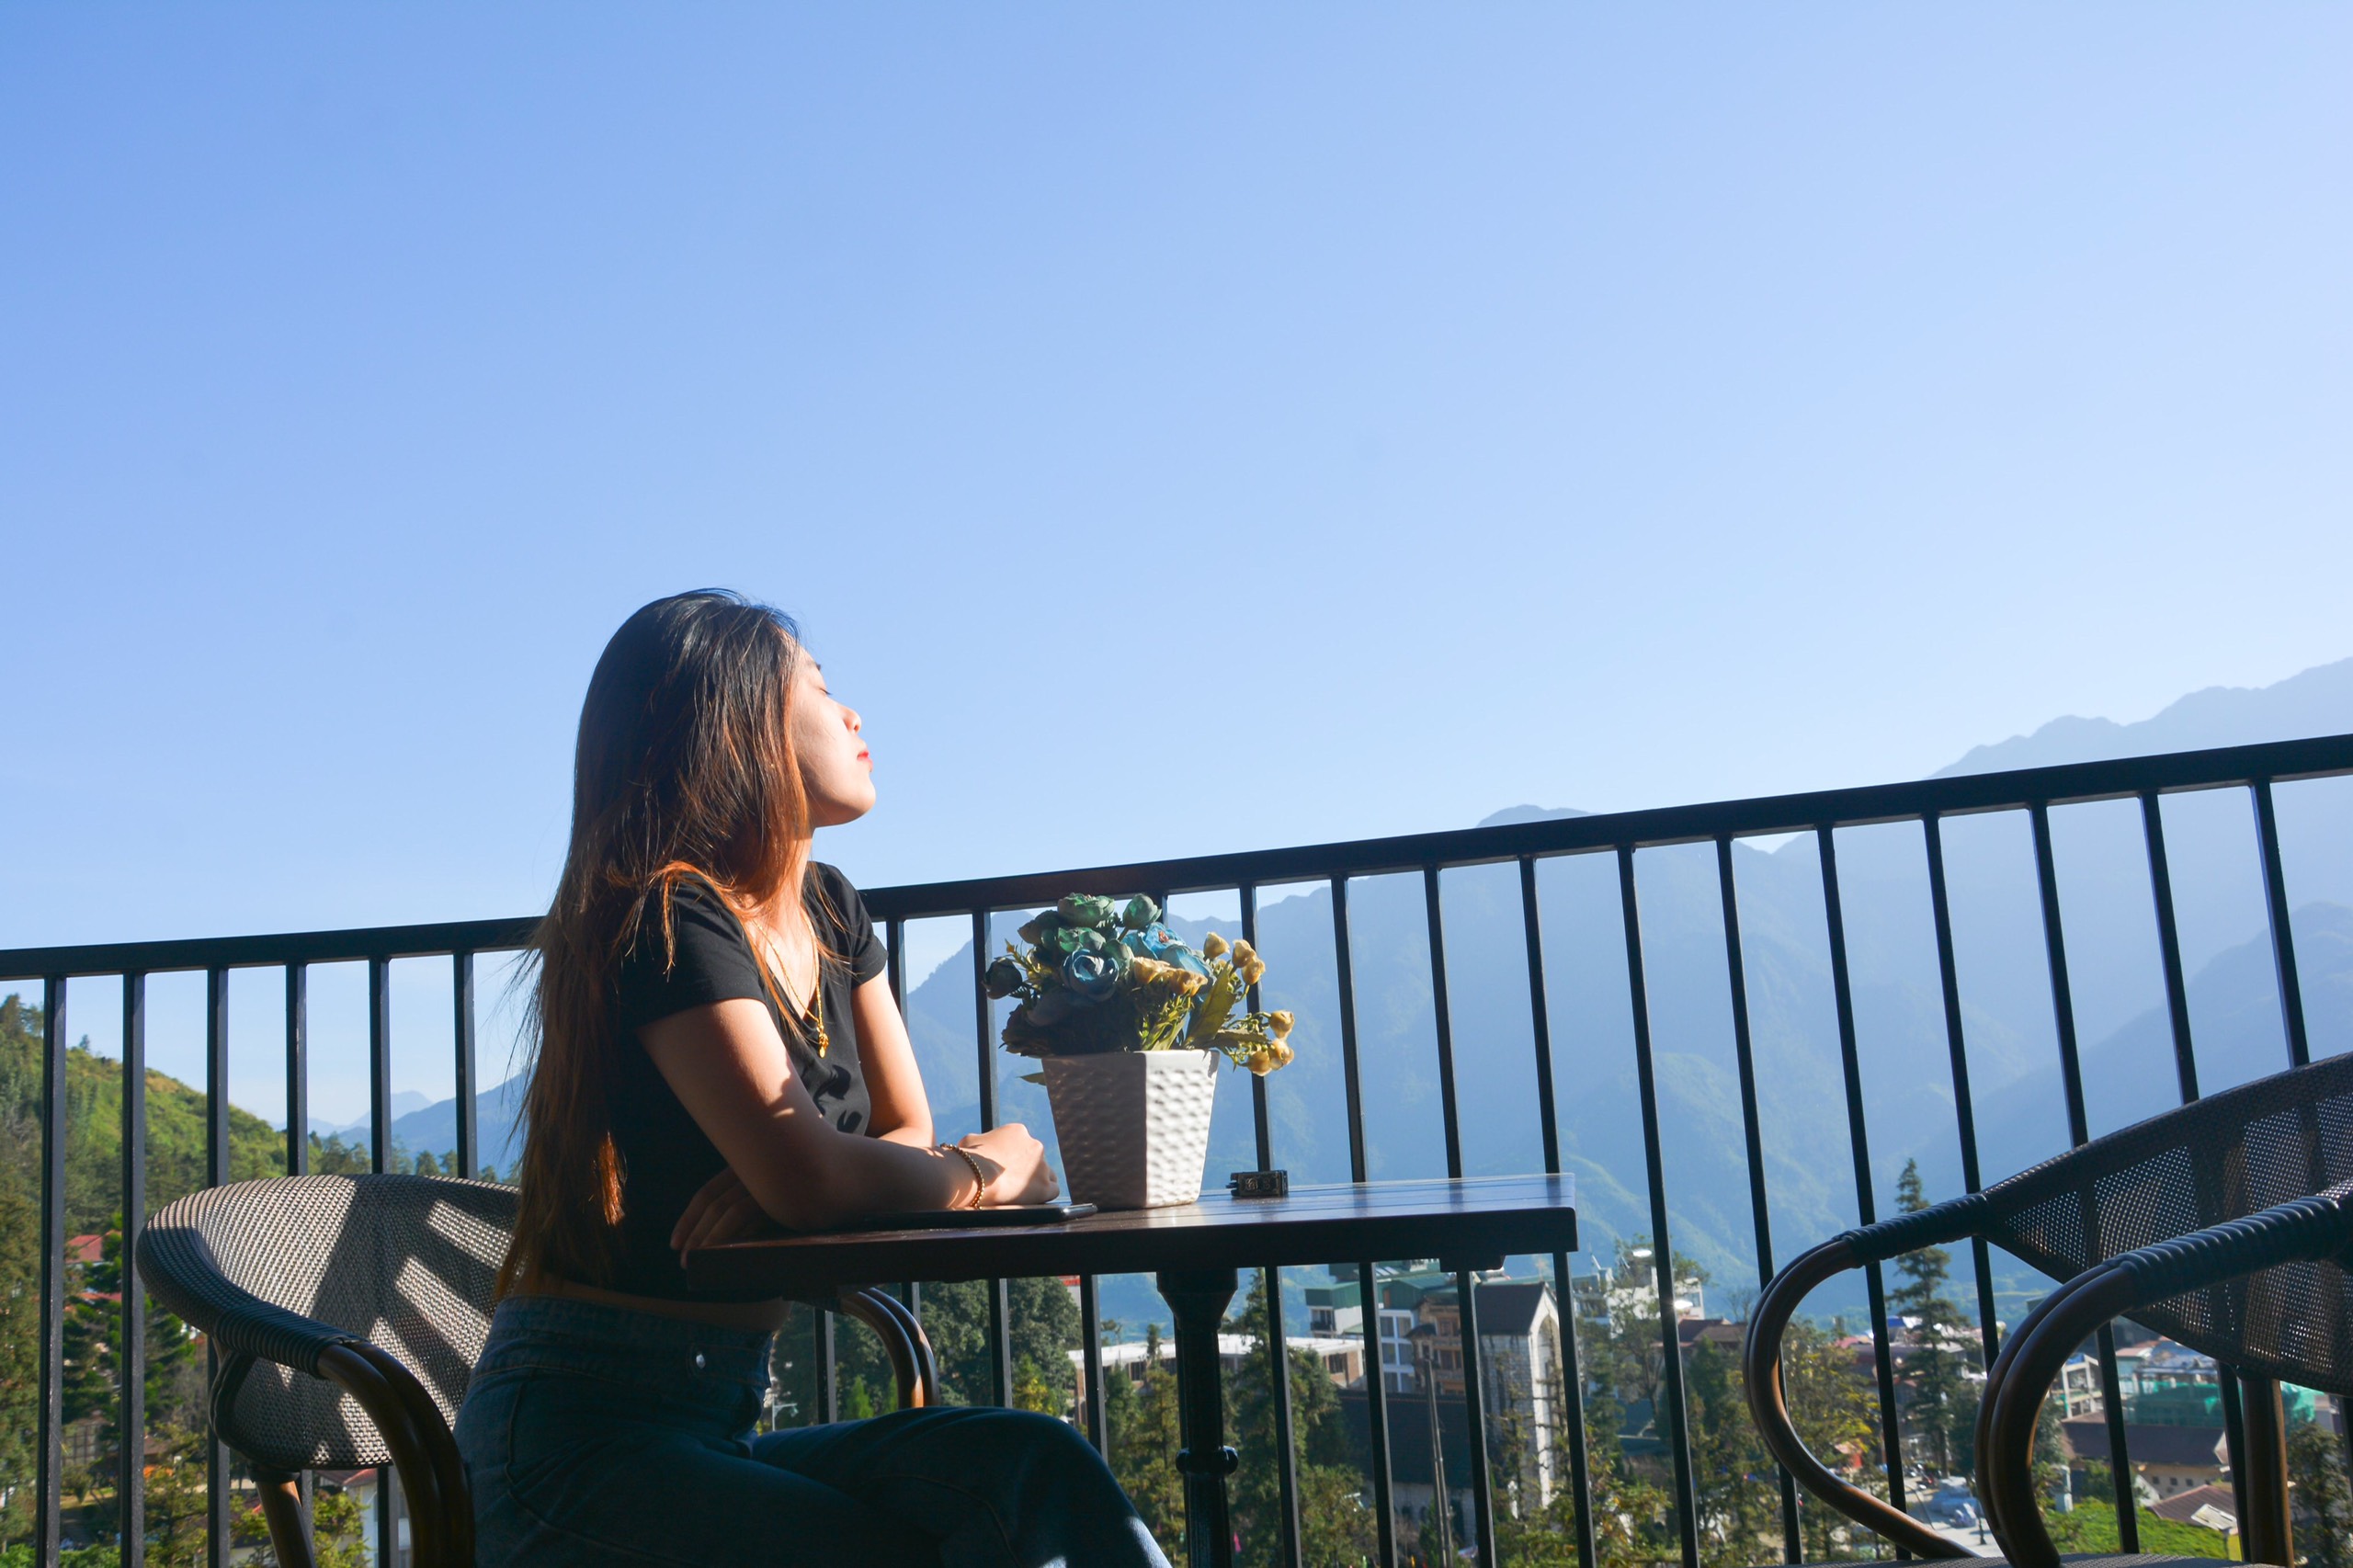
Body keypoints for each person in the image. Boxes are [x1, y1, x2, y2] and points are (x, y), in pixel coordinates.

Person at [455, 590, 1171, 1568]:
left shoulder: (831, 907)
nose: (853, 713)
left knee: (1032, 1467)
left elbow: (897, 1130)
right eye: (821, 688)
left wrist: (802, 1178)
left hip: (713, 1419)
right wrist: (982, 1167)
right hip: (574, 1442)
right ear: (737, 723)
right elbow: (831, 1175)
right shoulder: (666, 915)